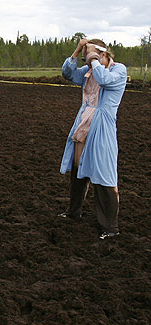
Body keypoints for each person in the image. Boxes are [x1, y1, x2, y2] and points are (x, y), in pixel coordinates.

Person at [58, 38, 127, 240]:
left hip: (102, 125)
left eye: (91, 59)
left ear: (103, 55)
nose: (88, 64)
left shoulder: (118, 70)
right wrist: (78, 50)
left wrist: (93, 58)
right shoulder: (89, 71)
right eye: (87, 60)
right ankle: (74, 211)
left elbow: (105, 80)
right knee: (78, 168)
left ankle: (110, 227)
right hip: (84, 122)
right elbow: (68, 73)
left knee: (103, 173)